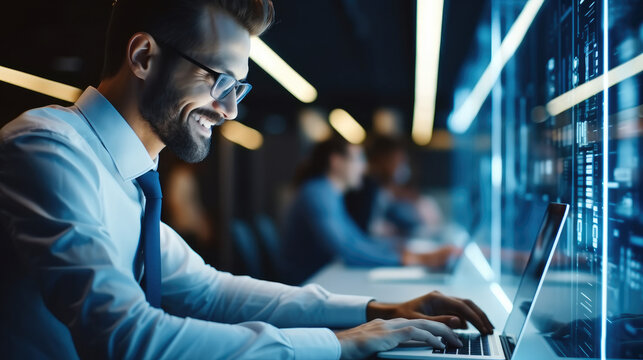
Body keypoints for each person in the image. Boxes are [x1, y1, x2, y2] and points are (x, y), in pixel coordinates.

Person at [0, 1, 493, 358]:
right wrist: (336, 346)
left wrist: (377, 309)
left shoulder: (129, 179)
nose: (230, 110)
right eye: (220, 82)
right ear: (144, 57)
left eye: (238, 87)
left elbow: (210, 292)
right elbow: (125, 338)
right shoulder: (47, 148)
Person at [282, 136, 461, 285]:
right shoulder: (318, 193)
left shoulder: (329, 193)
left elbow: (356, 240)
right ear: (336, 161)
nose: (364, 167)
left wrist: (405, 253)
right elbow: (348, 250)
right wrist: (415, 260)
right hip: (305, 283)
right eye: (359, 159)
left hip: (321, 278)